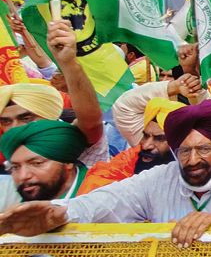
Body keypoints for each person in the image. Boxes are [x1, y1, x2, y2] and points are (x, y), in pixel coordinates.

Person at [0, 100, 211, 248]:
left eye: (204, 149)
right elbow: (104, 202)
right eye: (183, 151)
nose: (193, 160)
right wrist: (58, 214)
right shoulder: (157, 179)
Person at [0, 19, 107, 169]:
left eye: (26, 118)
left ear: (50, 115)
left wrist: (69, 63)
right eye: (5, 121)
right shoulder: (6, 153)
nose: (15, 128)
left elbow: (91, 123)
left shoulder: (68, 139)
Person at [77, 98, 183, 194]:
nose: (146, 146)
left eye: (159, 139)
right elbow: (98, 181)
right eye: (145, 136)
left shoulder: (193, 167)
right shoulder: (135, 155)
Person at [0, 120, 89, 210]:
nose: (23, 176)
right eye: (15, 167)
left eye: (37, 163)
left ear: (68, 162)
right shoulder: (7, 194)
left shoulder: (98, 195)